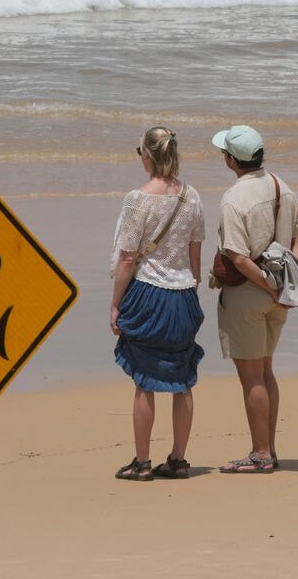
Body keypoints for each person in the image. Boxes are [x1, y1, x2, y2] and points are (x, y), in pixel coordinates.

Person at [111, 126, 206, 481]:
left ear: (147, 155)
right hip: (183, 295)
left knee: (144, 379)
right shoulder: (192, 196)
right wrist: (192, 286)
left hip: (149, 294)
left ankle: (142, 462)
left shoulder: (138, 198)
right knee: (183, 380)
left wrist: (115, 304)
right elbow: (195, 250)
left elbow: (126, 259)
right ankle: (179, 460)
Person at [210, 124, 298, 474]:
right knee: (266, 372)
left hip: (250, 295)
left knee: (252, 378)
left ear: (232, 161)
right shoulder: (283, 187)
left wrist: (268, 286)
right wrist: (286, 285)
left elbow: (237, 257)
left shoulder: (234, 199)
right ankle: (270, 448)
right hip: (278, 296)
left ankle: (261, 453)